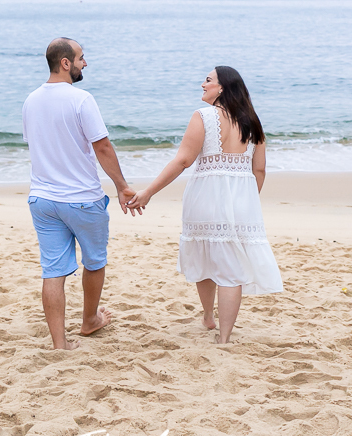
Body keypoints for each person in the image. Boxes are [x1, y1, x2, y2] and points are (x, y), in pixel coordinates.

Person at [129, 66, 282, 343]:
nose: (202, 84)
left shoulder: (203, 116)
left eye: (208, 80)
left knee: (204, 255)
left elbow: (183, 161)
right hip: (241, 201)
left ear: (222, 87)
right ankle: (223, 336)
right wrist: (246, 200)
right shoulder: (252, 121)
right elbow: (259, 171)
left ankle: (209, 317)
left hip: (205, 198)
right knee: (231, 268)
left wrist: (149, 191)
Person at [22, 37, 136, 350]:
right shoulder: (81, 99)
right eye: (82, 58)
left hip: (43, 200)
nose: (85, 63)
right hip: (82, 199)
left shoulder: (30, 100)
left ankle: (60, 344)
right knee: (94, 262)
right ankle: (89, 320)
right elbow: (101, 146)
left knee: (53, 272)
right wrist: (122, 186)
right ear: (65, 63)